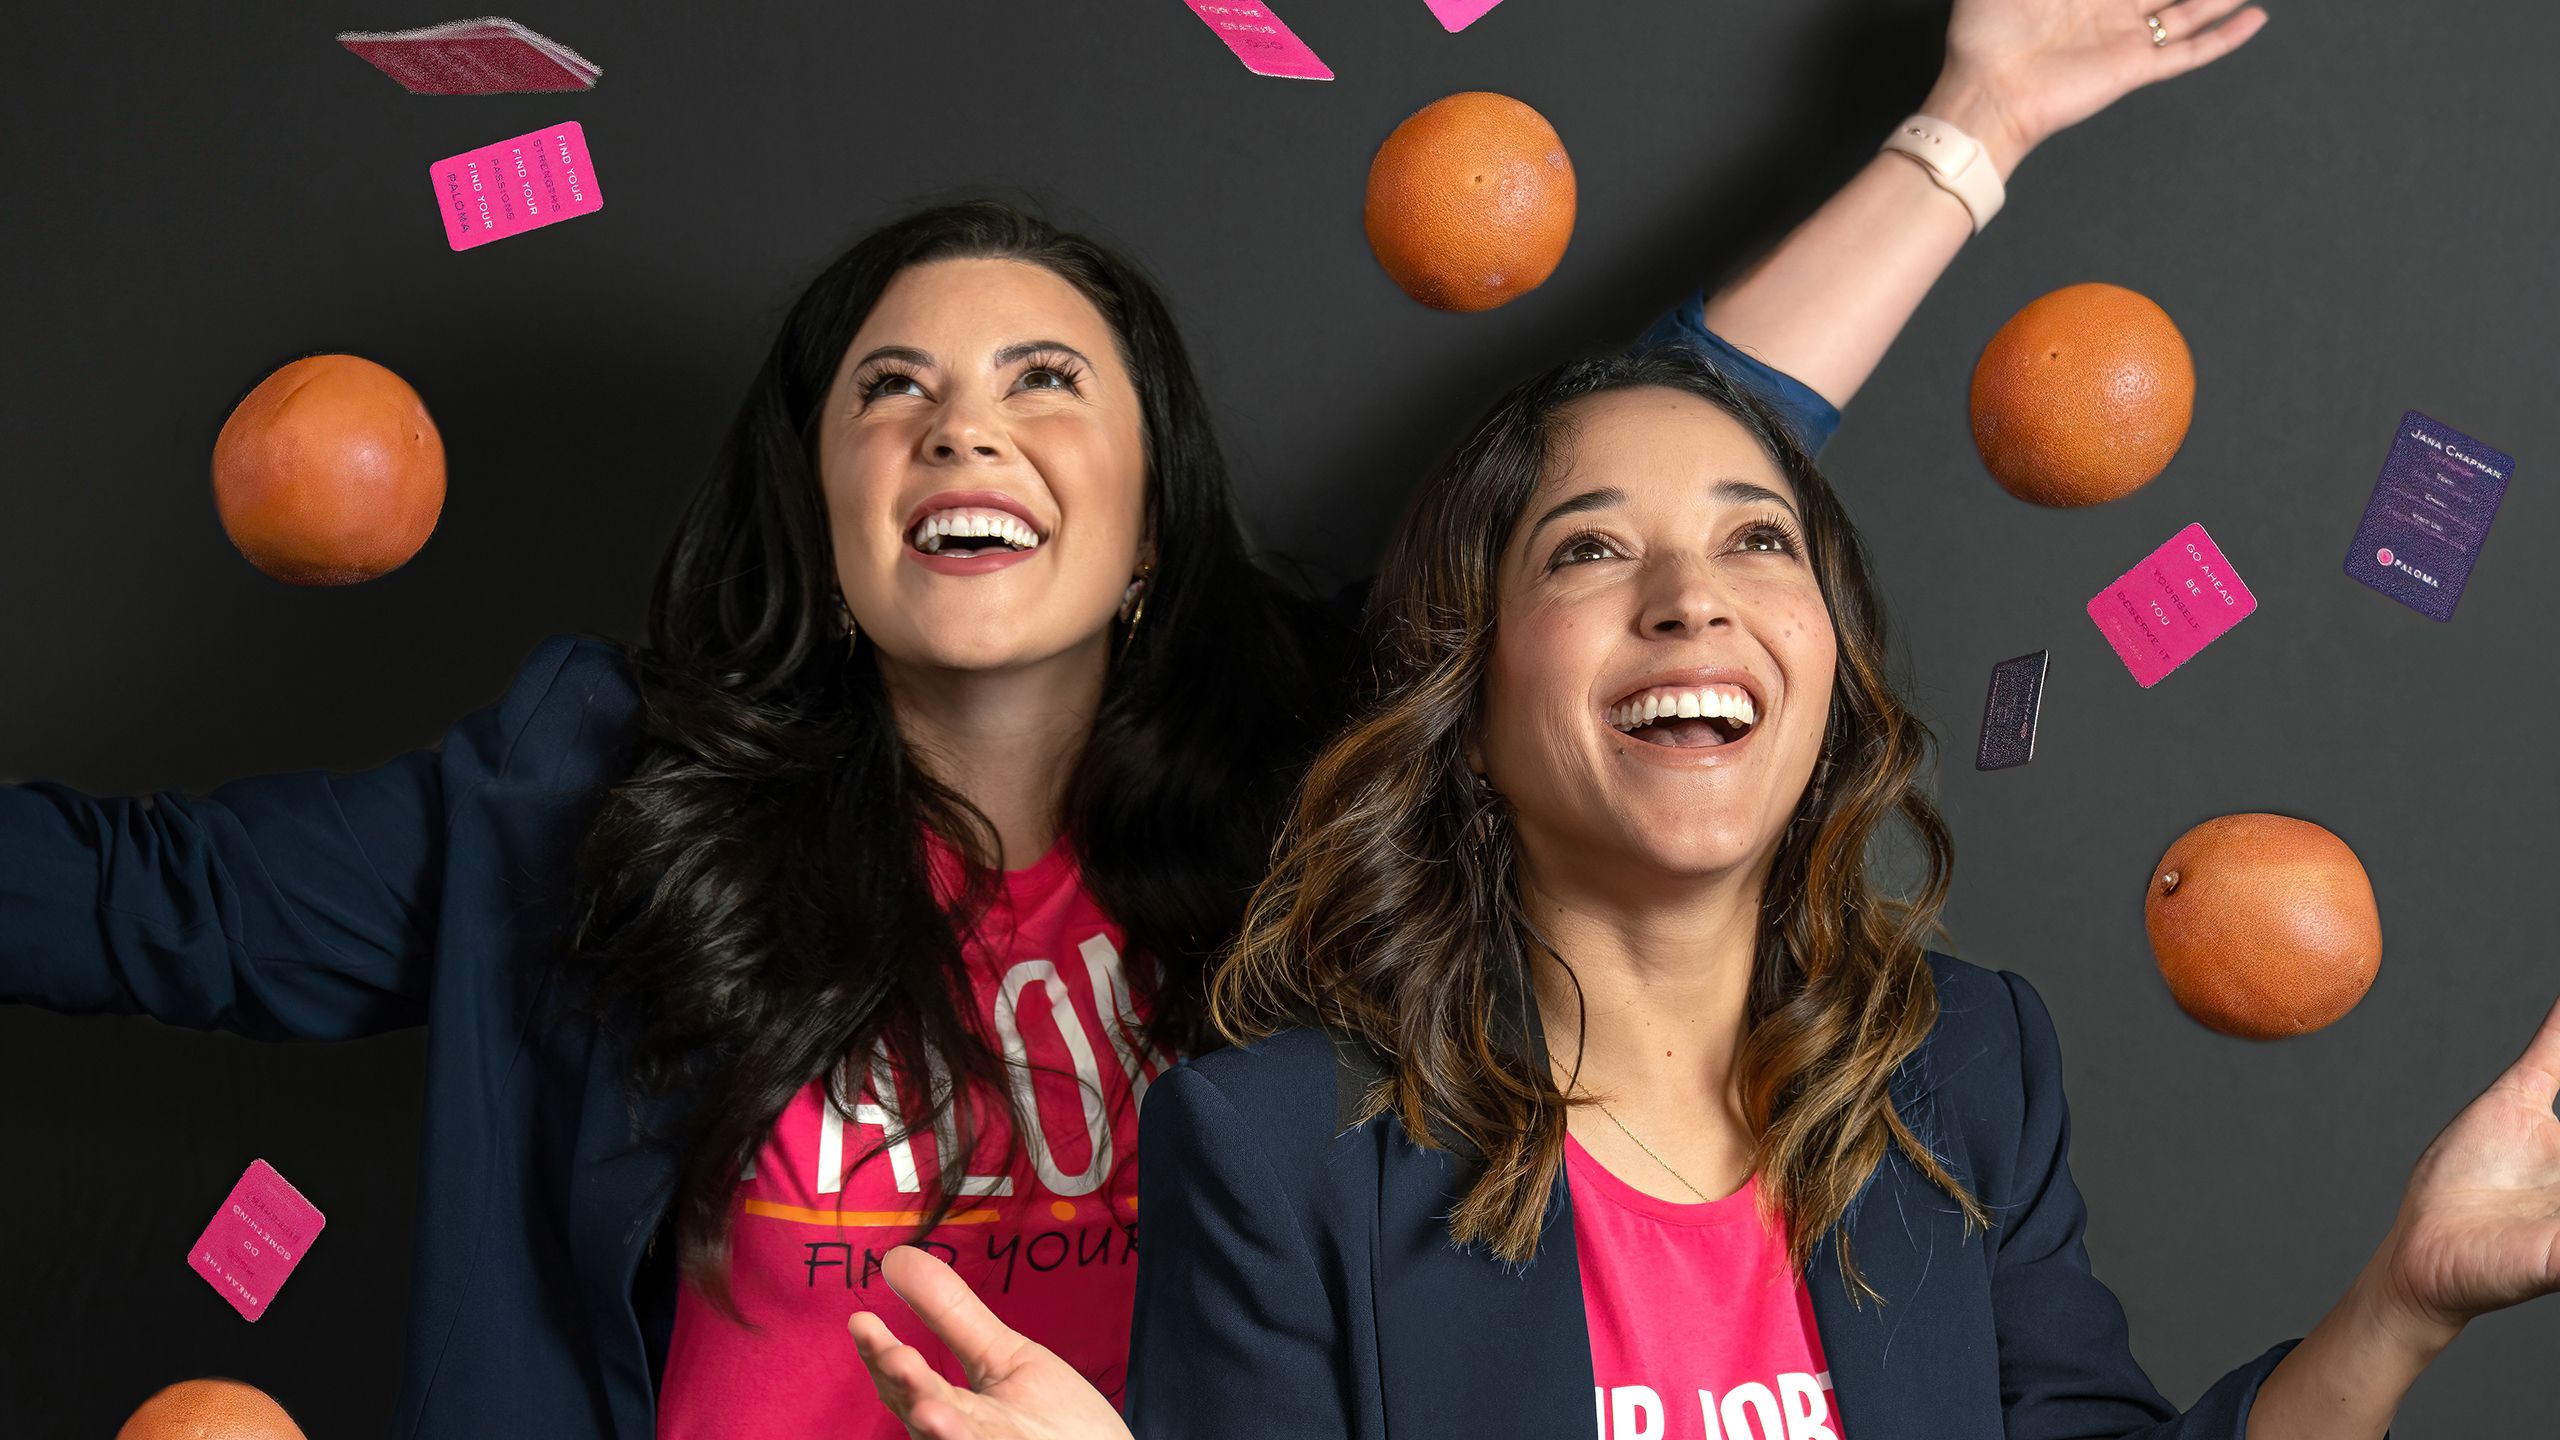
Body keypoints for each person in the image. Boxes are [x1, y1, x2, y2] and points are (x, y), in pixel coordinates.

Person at [4, 0, 2272, 1434]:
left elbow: (1639, 479)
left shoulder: (1331, 765)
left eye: (1040, 383)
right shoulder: (586, 796)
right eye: (888, 391)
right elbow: (134, 900)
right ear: (826, 509)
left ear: (1147, 514)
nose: (957, 430)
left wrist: (1967, 128)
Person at [849, 350, 2560, 1440]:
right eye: (1590, 550)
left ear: (1824, 668)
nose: (1692, 597)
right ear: (1471, 697)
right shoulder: (1278, 1142)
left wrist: (2396, 1309)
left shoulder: (1965, 1065)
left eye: (1759, 541)